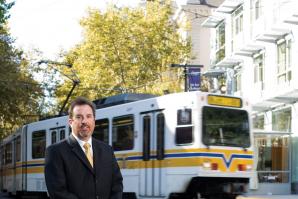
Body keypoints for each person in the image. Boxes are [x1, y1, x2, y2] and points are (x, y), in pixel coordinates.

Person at [45, 97, 123, 199]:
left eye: (88, 116)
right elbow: (58, 192)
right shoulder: (55, 152)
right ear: (70, 122)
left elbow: (117, 184)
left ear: (94, 120)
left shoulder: (107, 150)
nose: (84, 121)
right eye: (79, 117)